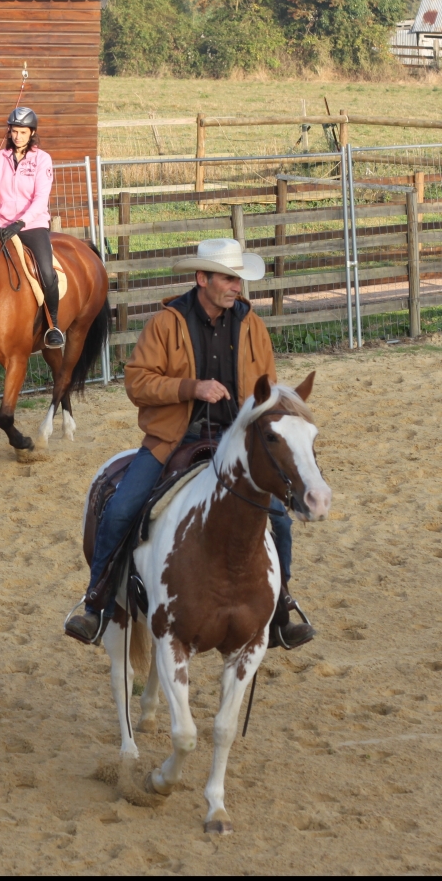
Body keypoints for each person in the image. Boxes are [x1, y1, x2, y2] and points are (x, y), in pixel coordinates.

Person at [63, 238, 317, 649]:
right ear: (202, 279)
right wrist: (190, 387)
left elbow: (265, 388)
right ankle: (97, 603)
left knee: (281, 520)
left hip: (239, 443)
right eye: (227, 279)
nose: (236, 287)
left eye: (238, 280)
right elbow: (137, 382)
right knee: (122, 507)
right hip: (173, 438)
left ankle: (281, 609)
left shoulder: (251, 325)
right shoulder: (166, 324)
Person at [0, 106, 64, 349]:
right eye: (14, 131)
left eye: (23, 132)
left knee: (46, 272)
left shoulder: (42, 159)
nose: (18, 136)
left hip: (32, 225)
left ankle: (53, 325)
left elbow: (41, 198)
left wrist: (22, 221)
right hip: (1, 225)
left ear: (32, 132)